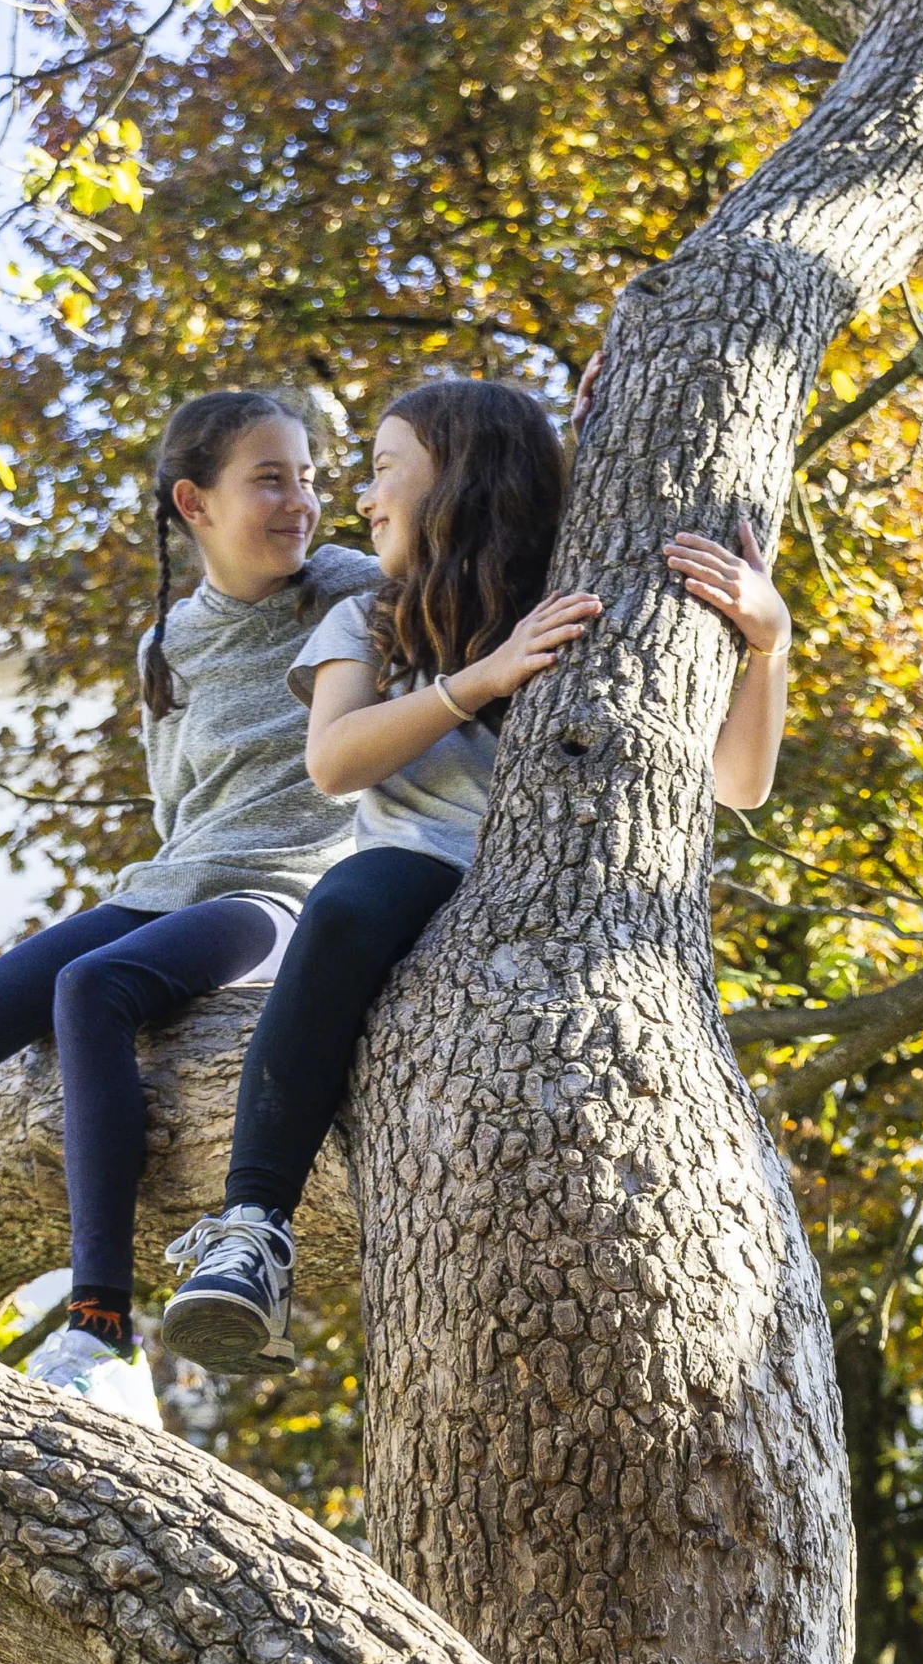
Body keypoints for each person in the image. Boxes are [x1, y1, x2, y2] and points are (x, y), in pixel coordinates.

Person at [159, 371, 794, 1373]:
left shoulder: (578, 596)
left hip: (575, 898)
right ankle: (251, 1229)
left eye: (381, 472)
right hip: (412, 878)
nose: (361, 499)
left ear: (459, 481)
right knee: (344, 900)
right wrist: (477, 682)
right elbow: (334, 760)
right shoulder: (367, 616)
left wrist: (768, 642)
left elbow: (739, 782)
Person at [0, 389, 379, 1393]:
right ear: (195, 503)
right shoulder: (164, 647)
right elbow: (181, 807)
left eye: (307, 480)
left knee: (96, 987)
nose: (301, 503)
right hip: (172, 885)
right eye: (270, 479)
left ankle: (100, 1324)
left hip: (281, 894)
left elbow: (482, 559)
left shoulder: (352, 588)